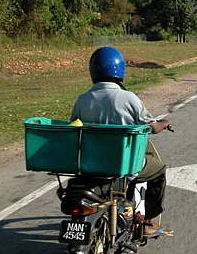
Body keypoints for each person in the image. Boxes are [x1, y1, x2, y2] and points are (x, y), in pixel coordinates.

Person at [70, 46, 173, 237]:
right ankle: (147, 222)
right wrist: (164, 123)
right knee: (158, 171)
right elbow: (151, 126)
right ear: (120, 71)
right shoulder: (128, 98)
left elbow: (74, 126)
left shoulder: (82, 100)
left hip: (89, 163)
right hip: (121, 163)